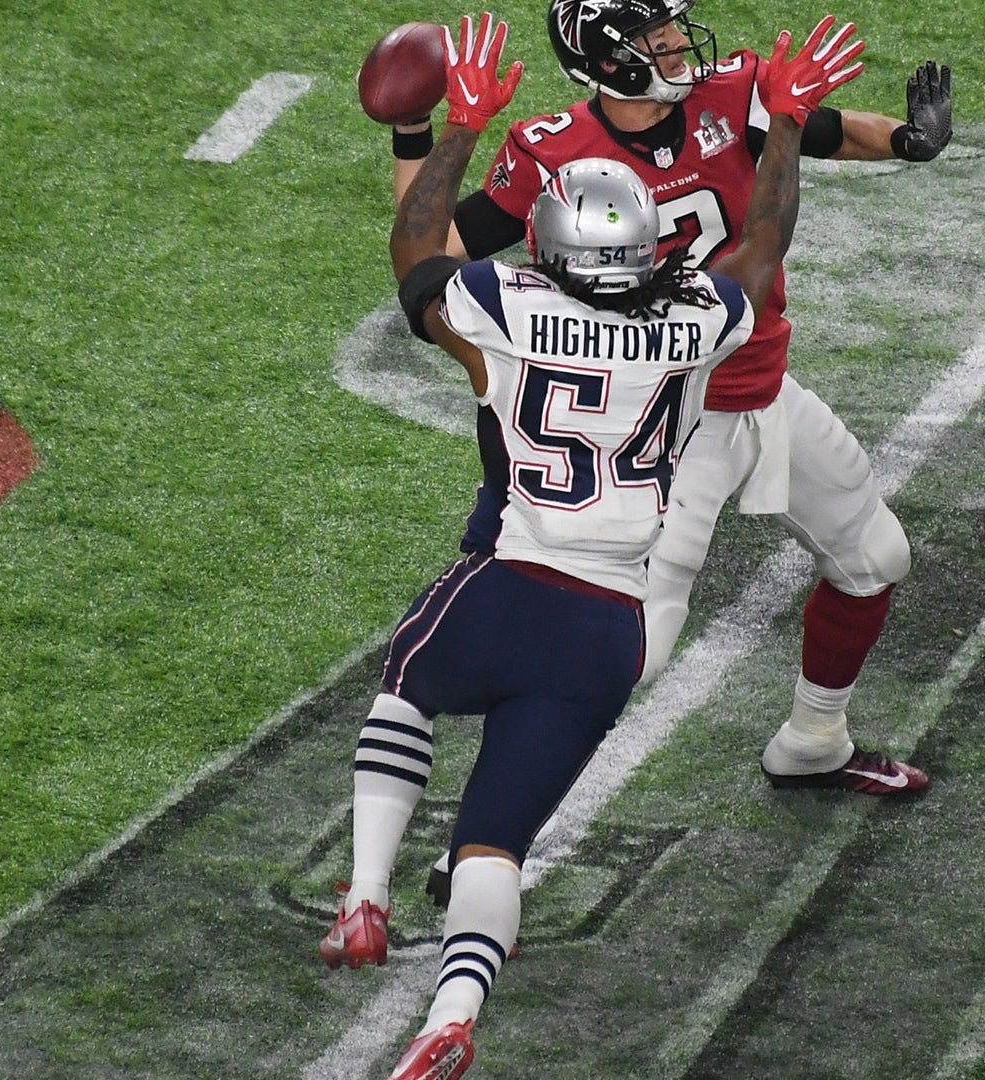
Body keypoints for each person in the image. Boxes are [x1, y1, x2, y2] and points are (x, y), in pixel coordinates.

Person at [319, 12, 862, 1079]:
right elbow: (762, 246)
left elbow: (416, 250)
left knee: (401, 692)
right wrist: (786, 128)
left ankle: (368, 898)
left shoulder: (501, 306)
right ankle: (450, 1018)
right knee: (493, 848)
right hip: (609, 626)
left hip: (510, 580)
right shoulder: (695, 318)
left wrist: (451, 129)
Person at [389, 0, 952, 796]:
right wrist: (414, 138)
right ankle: (487, 832)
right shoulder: (555, 151)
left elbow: (823, 130)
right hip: (660, 422)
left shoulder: (730, 94)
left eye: (675, 29)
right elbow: (441, 249)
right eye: (656, 38)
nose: (680, 46)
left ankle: (815, 740)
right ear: (609, 61)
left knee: (874, 558)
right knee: (632, 655)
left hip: (760, 385)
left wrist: (906, 138)